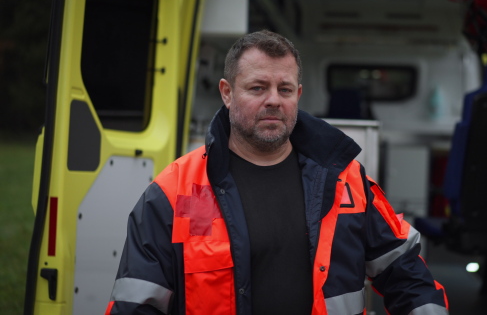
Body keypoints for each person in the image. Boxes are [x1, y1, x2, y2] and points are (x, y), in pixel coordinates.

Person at [105, 30, 449, 315]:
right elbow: (137, 305)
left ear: (298, 95)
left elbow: (406, 274)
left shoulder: (345, 181)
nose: (273, 100)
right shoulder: (173, 192)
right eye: (257, 88)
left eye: (284, 89)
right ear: (227, 93)